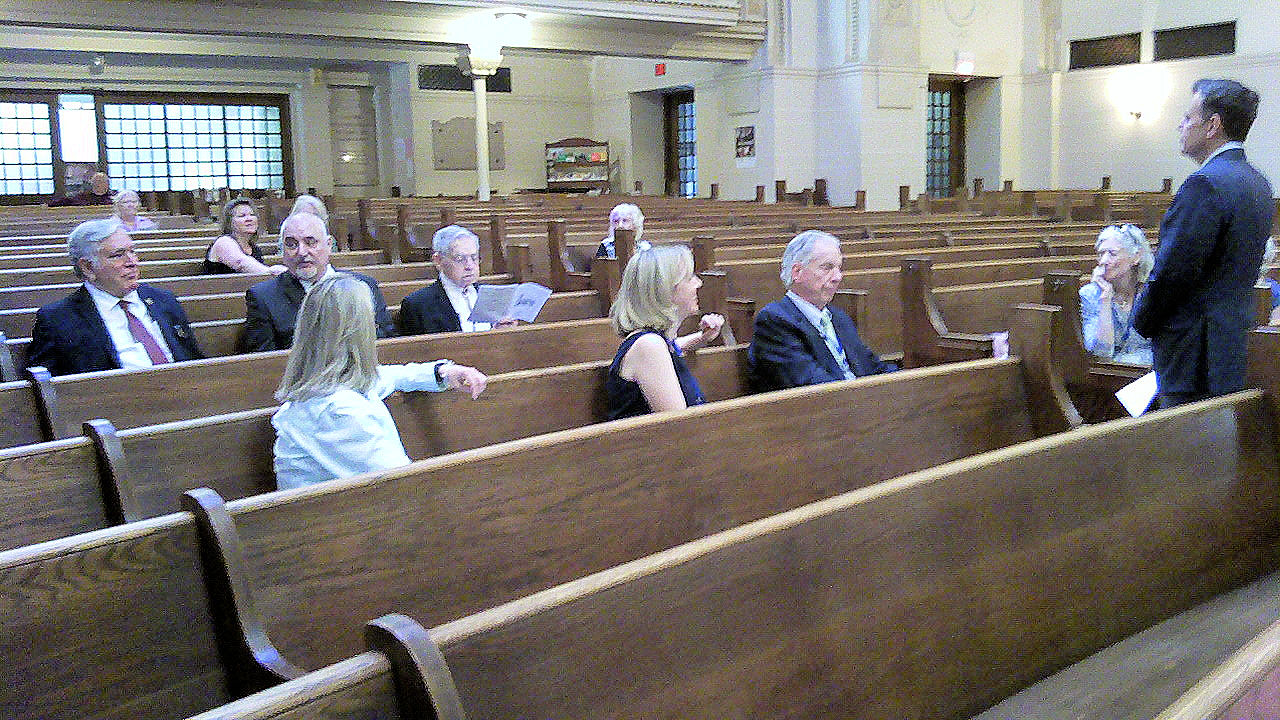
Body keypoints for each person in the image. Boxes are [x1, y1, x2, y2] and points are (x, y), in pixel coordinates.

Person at [271, 273, 488, 490]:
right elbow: (408, 486)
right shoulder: (339, 411)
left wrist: (443, 372)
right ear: (356, 332)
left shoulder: (330, 381)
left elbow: (388, 376)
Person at [1134, 78, 1275, 408]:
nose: (1181, 126)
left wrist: (1141, 320)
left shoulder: (1205, 184)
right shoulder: (1257, 182)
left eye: (1187, 118)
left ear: (1213, 125)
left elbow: (1173, 273)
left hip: (1193, 355)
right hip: (1232, 346)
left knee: (1182, 454)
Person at [28, 218, 204, 376]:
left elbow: (193, 358)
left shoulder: (163, 300)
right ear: (88, 267)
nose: (132, 262)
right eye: (118, 255)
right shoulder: (58, 320)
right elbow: (50, 388)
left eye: (132, 252)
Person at [749, 230, 895, 392]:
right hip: (823, 410)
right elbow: (811, 384)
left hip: (858, 402)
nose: (838, 277)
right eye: (827, 268)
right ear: (797, 272)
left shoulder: (838, 317)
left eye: (839, 268)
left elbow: (872, 367)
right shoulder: (775, 321)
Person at [243, 212, 394, 351]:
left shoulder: (364, 286)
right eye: (291, 244)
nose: (302, 252)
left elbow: (386, 344)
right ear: (282, 250)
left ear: (329, 245)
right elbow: (264, 365)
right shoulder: (263, 297)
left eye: (310, 242)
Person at [606, 245, 724, 419]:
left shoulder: (654, 342)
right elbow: (680, 426)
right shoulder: (649, 346)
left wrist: (702, 337)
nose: (698, 283)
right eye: (689, 277)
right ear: (666, 289)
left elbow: (673, 346)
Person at [398, 225, 517, 335]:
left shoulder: (490, 295)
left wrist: (503, 333)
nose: (470, 266)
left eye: (474, 257)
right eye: (460, 259)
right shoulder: (417, 305)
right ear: (438, 261)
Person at [1079, 223, 1155, 365]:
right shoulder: (1090, 295)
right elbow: (1102, 354)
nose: (1103, 261)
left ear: (1136, 257)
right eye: (1101, 254)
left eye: (1112, 254)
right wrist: (1105, 300)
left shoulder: (1149, 293)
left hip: (1152, 372)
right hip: (1114, 376)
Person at [205, 198, 286, 275]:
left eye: (252, 215)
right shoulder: (223, 241)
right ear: (229, 222)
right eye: (242, 216)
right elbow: (240, 263)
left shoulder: (253, 248)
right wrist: (270, 271)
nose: (249, 219)